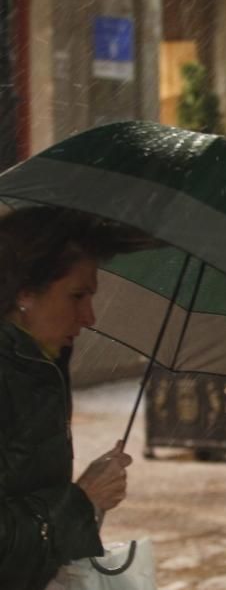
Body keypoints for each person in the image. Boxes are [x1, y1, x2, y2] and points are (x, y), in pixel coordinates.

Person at [0, 206, 133, 590]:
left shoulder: (37, 368)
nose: (89, 316)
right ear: (25, 294)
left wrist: (84, 499)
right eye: (77, 296)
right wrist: (81, 500)